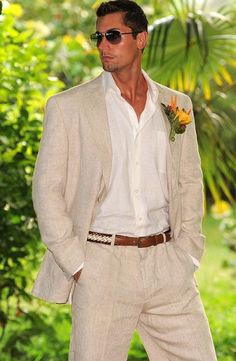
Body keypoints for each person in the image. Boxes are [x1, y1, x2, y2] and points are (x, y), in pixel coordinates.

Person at [32, 1, 217, 360]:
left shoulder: (176, 105)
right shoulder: (69, 107)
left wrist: (188, 254)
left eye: (113, 36)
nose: (103, 44)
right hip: (101, 264)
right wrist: (77, 263)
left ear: (141, 39)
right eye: (98, 36)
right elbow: (47, 190)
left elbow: (189, 182)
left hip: (168, 266)